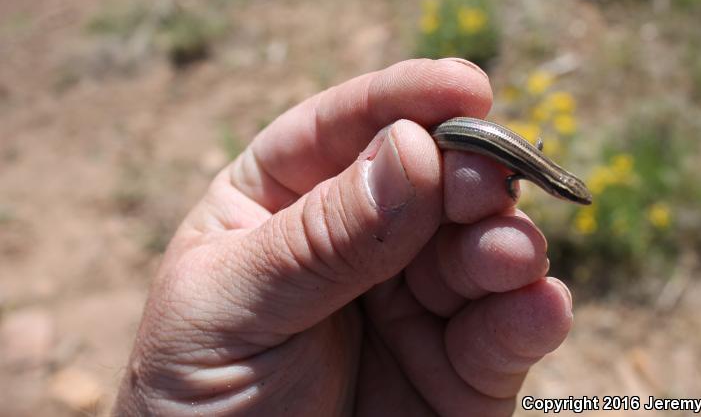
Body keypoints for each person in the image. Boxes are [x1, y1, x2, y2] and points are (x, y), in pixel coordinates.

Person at [114, 58, 573, 416]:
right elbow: (513, 175)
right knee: (434, 179)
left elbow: (518, 170)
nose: (563, 193)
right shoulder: (526, 171)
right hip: (445, 140)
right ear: (556, 185)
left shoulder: (528, 167)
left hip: (452, 142)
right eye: (566, 192)